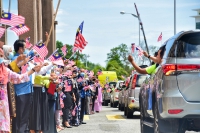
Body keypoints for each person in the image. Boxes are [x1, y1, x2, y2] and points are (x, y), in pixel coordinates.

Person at [0, 48, 42, 133]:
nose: (1, 58)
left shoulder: (5, 70)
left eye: (1, 56)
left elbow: (19, 78)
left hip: (3, 104)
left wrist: (32, 70)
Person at [11, 39, 37, 133]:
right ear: (21, 49)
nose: (26, 49)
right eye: (25, 48)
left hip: (28, 90)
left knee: (25, 116)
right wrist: (24, 61)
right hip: (20, 91)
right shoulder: (15, 59)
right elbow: (16, 68)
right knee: (19, 116)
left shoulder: (27, 60)